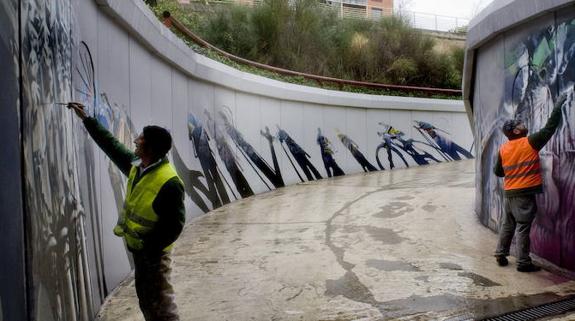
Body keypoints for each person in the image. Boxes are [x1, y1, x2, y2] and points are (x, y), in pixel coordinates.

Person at [67, 102, 185, 320]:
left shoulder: (169, 182)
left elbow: (174, 226)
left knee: (161, 305)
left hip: (154, 255)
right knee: (148, 302)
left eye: (140, 139)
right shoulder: (137, 166)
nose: (135, 140)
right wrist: (87, 119)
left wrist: (150, 248)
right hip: (141, 251)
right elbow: (111, 146)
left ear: (149, 148)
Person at [493, 93, 567, 272]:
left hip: (509, 193)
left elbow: (498, 171)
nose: (523, 124)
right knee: (523, 227)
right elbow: (549, 128)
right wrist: (557, 106)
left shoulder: (503, 148)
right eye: (520, 124)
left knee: (507, 224)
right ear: (516, 131)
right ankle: (523, 262)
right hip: (523, 194)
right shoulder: (529, 142)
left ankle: (500, 253)